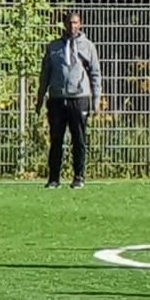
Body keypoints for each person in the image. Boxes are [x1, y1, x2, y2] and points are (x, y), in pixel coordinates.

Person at [36, 11, 102, 189]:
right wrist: (40, 98)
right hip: (57, 98)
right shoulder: (54, 47)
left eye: (75, 23)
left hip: (79, 98)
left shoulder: (88, 46)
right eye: (69, 23)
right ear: (64, 25)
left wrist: (96, 100)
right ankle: (54, 179)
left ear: (80, 24)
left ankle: (79, 177)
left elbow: (95, 74)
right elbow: (45, 74)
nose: (72, 26)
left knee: (78, 139)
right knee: (56, 139)